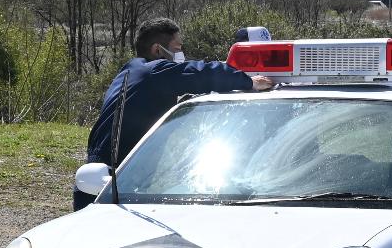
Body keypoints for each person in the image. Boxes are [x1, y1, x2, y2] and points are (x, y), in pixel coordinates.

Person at [78, 18, 275, 210]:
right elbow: (200, 74)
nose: (181, 54)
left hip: (104, 177)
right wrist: (248, 82)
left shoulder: (131, 72)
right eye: (178, 49)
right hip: (110, 184)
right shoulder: (153, 73)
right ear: (157, 50)